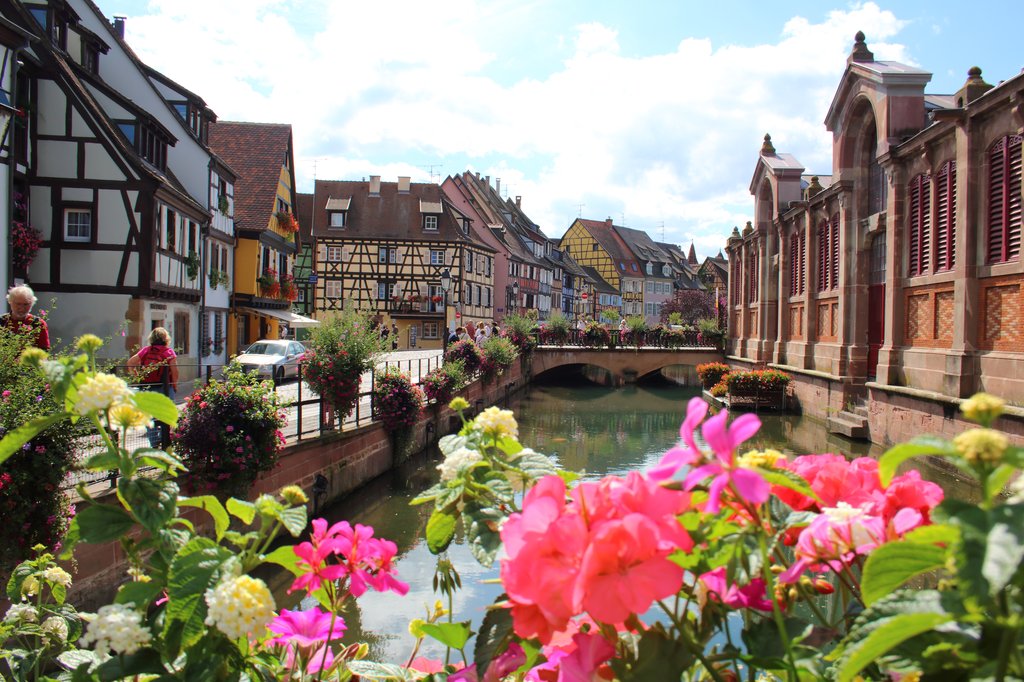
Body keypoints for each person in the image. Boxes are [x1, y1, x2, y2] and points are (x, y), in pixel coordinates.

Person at [126, 327, 179, 448]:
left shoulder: (145, 351)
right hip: (164, 388)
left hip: (147, 388)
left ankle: (154, 443)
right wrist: (174, 385)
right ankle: (165, 441)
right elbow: (174, 371)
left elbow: (130, 363)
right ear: (166, 338)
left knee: (149, 417)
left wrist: (138, 377)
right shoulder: (168, 352)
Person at [1, 285, 50, 350]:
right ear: (10, 302)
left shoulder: (38, 324)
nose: (22, 308)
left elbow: (44, 350)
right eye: (18, 304)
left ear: (32, 304)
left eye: (26, 304)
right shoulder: (2, 322)